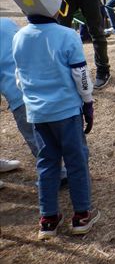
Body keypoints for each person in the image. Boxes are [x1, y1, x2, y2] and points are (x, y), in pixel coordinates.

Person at [11, 0, 99, 240]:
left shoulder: (19, 37)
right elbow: (80, 74)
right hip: (66, 110)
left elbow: (19, 76)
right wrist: (88, 101)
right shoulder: (67, 35)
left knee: (47, 163)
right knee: (76, 160)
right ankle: (82, 214)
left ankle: (48, 218)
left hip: (38, 113)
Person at [0, 18, 68, 185]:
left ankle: (56, 173)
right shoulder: (8, 24)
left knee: (36, 136)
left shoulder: (6, 24)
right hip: (36, 88)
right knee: (43, 134)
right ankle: (60, 170)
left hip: (19, 91)